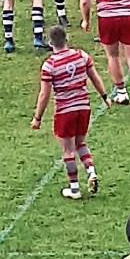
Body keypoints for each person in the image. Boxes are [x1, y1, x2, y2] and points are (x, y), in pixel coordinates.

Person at [31, 26, 109, 199]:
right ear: (67, 38)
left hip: (65, 110)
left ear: (50, 43)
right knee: (81, 142)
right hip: (83, 106)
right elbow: (94, 77)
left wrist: (37, 118)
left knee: (68, 150)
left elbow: (44, 94)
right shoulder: (81, 56)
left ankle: (74, 188)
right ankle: (91, 170)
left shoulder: (49, 65)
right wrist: (104, 96)